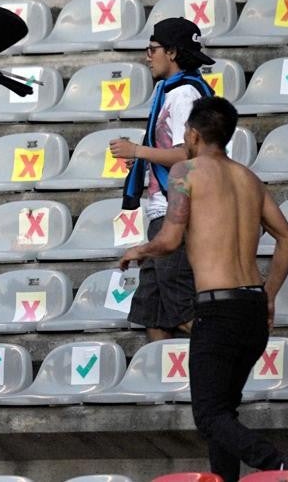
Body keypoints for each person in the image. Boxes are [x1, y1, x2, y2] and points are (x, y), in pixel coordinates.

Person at [120, 97, 288, 482]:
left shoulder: (186, 171)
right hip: (251, 309)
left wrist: (138, 249)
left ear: (193, 134)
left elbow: (168, 240)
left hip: (217, 310)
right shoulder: (249, 178)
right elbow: (287, 238)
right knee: (223, 414)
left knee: (209, 415)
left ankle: (281, 464)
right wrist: (269, 293)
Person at [110, 19, 216, 342]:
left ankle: (220, 355)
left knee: (182, 309)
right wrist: (143, 157)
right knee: (151, 310)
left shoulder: (184, 93)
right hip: (160, 210)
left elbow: (188, 154)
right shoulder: (167, 90)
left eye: (152, 49)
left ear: (171, 53)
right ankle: (166, 387)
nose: (148, 56)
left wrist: (139, 150)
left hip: (178, 211)